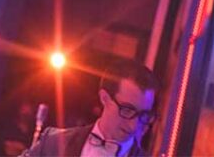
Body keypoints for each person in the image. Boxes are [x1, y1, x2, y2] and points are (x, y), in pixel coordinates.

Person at [22, 59, 159, 157]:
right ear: (104, 98)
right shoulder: (54, 142)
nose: (133, 125)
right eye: (127, 110)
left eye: (144, 115)